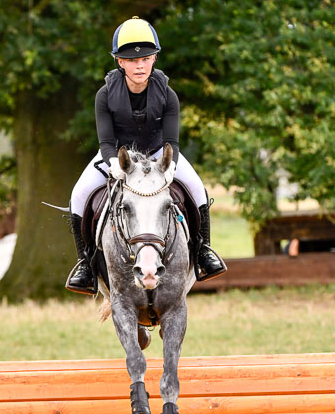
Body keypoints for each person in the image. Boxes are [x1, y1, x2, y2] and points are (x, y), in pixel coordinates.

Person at [66, 16, 226, 295]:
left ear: (154, 60)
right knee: (79, 194)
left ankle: (203, 252)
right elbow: (105, 141)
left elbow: (171, 141)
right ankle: (85, 265)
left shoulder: (168, 95)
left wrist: (171, 165)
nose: (139, 65)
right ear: (120, 62)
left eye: (145, 59)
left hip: (157, 154)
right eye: (131, 60)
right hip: (118, 158)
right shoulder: (104, 95)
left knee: (198, 189)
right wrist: (115, 164)